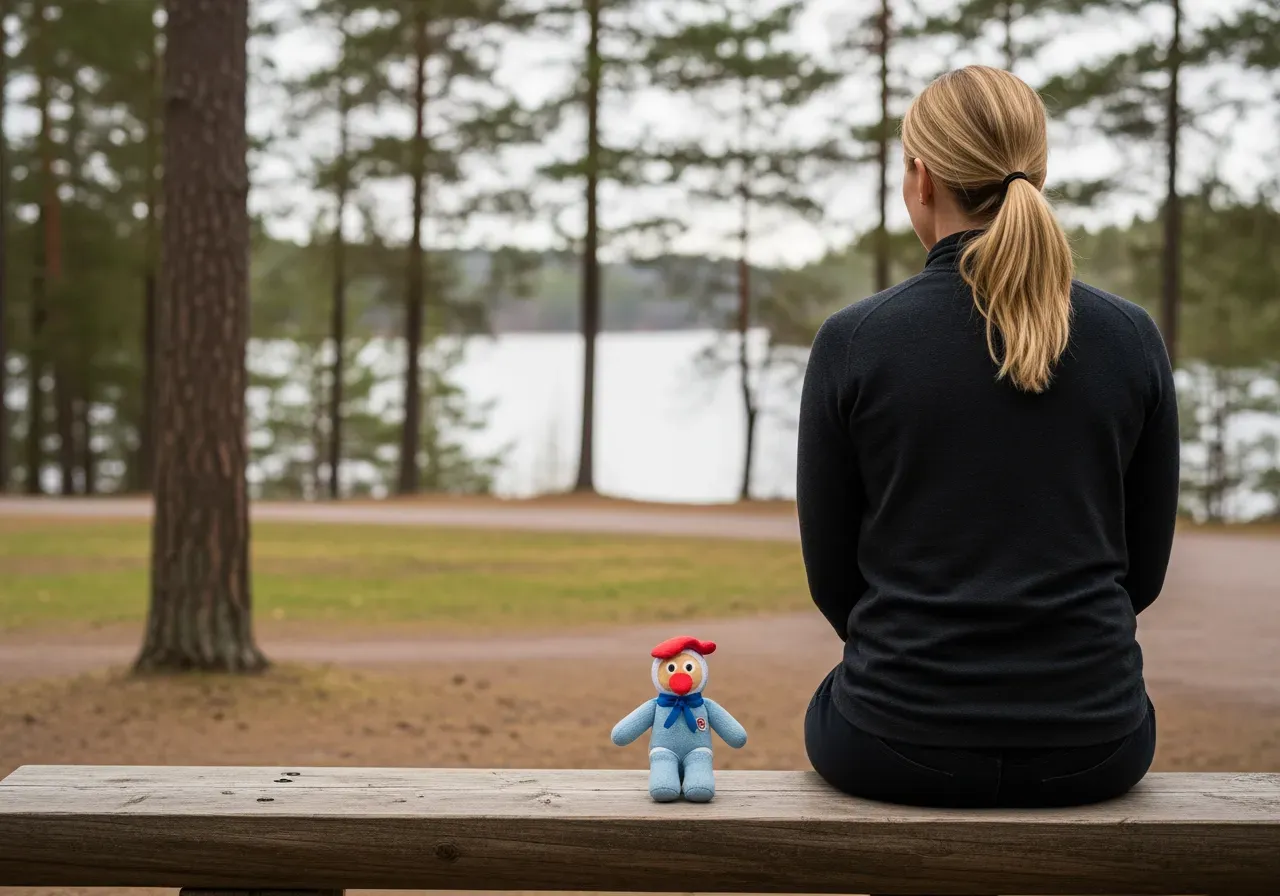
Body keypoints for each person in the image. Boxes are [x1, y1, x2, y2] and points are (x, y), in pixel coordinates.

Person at [797, 66, 1179, 809]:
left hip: (895, 741)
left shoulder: (856, 341)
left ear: (920, 177)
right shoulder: (1130, 338)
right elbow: (1146, 573)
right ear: (1037, 172)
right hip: (1096, 743)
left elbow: (834, 584)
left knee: (839, 706)